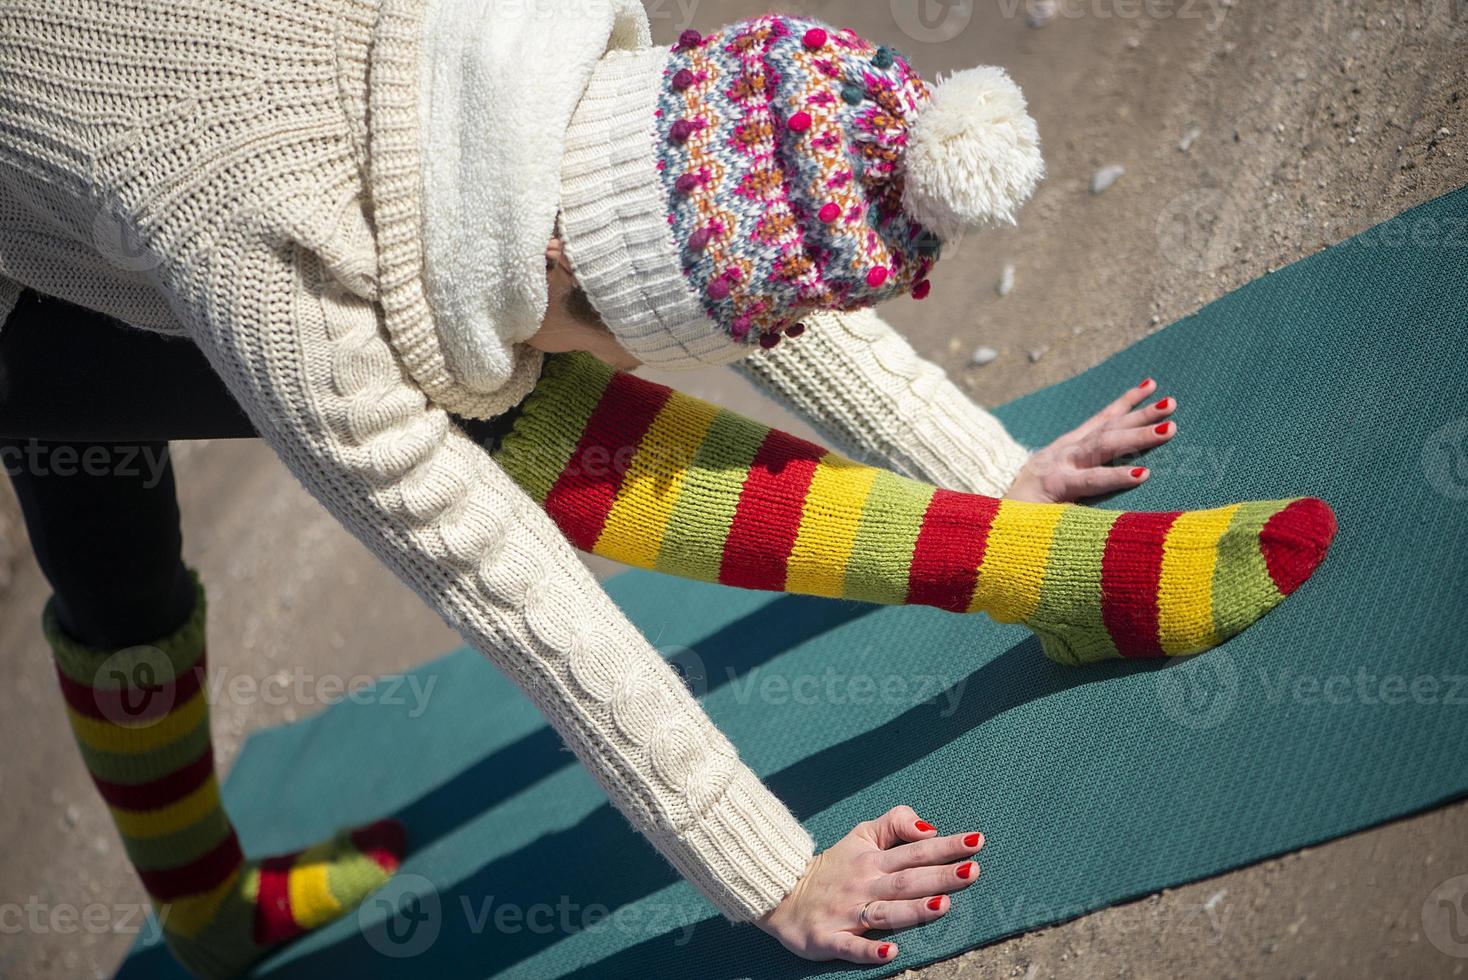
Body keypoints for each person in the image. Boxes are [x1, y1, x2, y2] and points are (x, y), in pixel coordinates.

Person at [0, 4, 1336, 975]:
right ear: (560, 265)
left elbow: (716, 228)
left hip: (84, 147)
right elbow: (504, 578)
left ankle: (200, 911)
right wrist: (772, 872)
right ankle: (1056, 587)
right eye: (611, 320)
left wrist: (989, 470)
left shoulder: (531, 62)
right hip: (132, 188)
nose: (640, 363)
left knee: (111, 527)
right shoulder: (279, 260)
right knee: (467, 396)